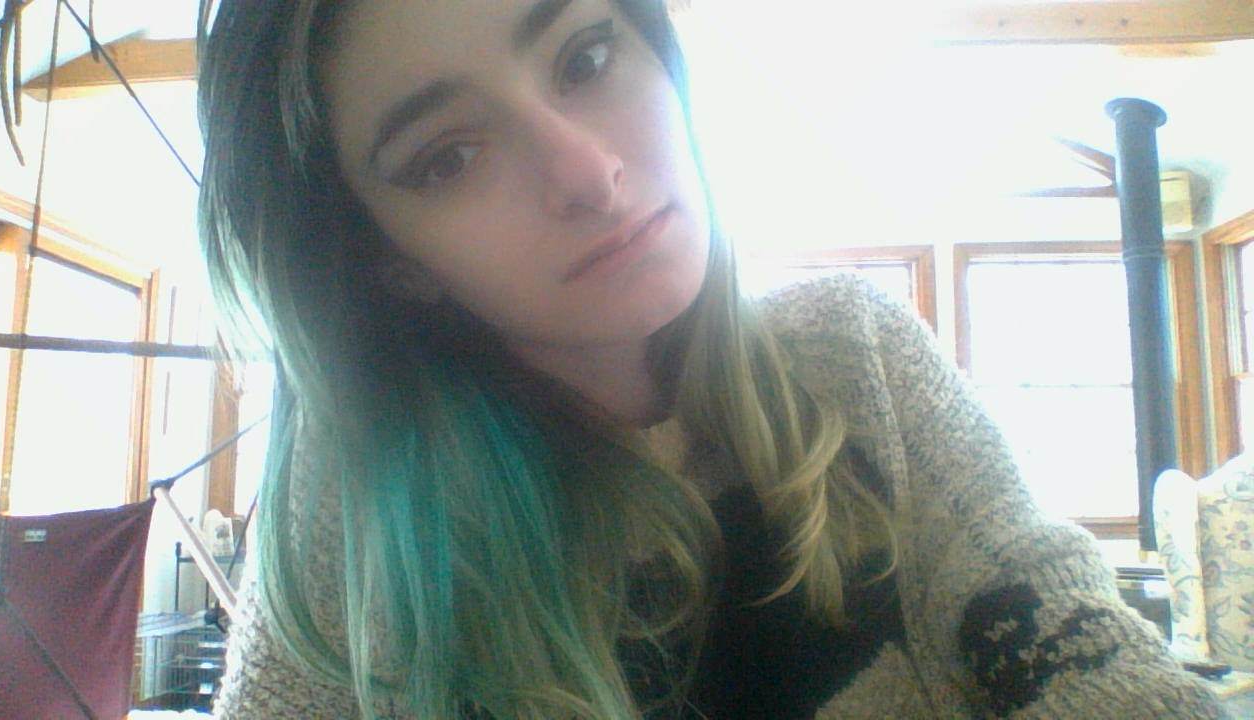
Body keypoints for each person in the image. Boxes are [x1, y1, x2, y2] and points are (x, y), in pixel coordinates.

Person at [197, 1, 1230, 718]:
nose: (587, 173)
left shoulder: (856, 356)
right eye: (448, 158)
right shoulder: (358, 500)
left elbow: (1070, 643)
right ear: (387, 262)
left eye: (584, 58)